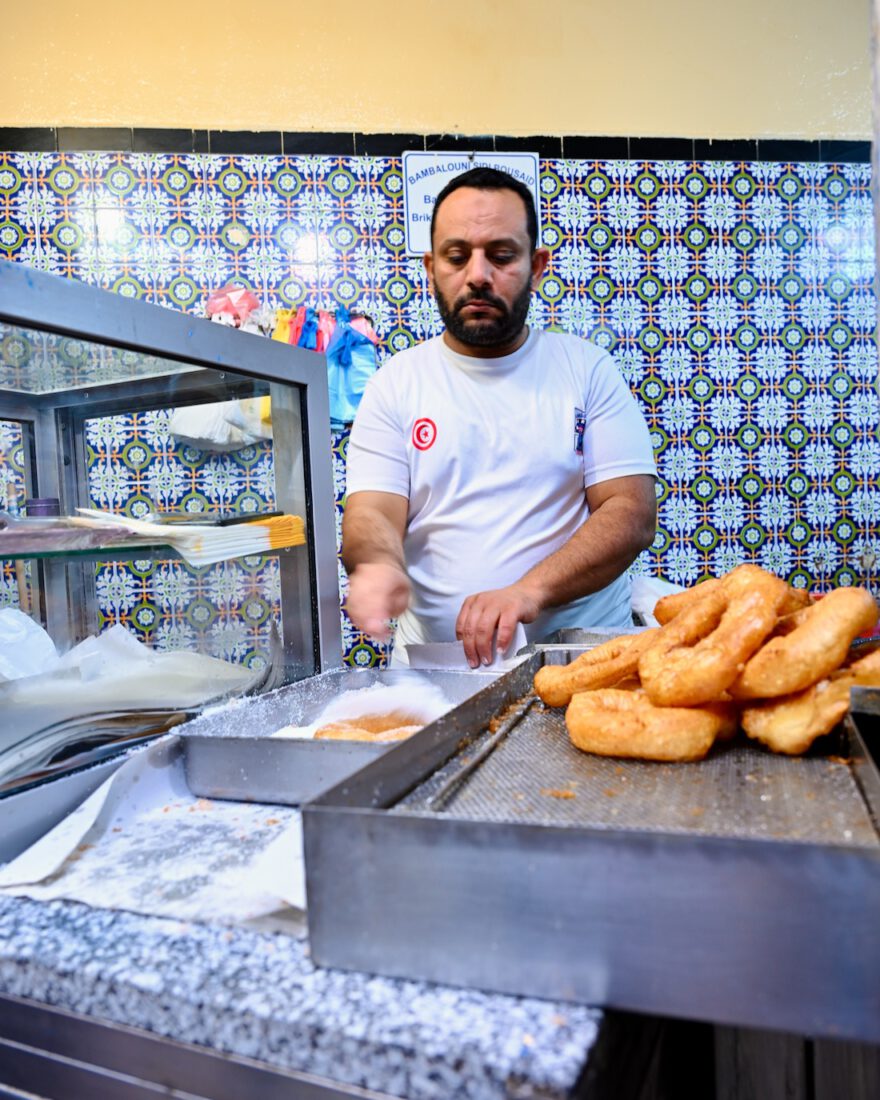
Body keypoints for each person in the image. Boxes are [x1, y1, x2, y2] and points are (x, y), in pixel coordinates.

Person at [342, 166, 657, 668]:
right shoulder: (396, 383)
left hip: (579, 668)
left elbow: (630, 513)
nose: (478, 275)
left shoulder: (587, 369)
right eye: (457, 255)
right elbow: (372, 512)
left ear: (536, 266)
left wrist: (527, 592)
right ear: (431, 267)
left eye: (502, 256)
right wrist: (377, 564)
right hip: (437, 675)